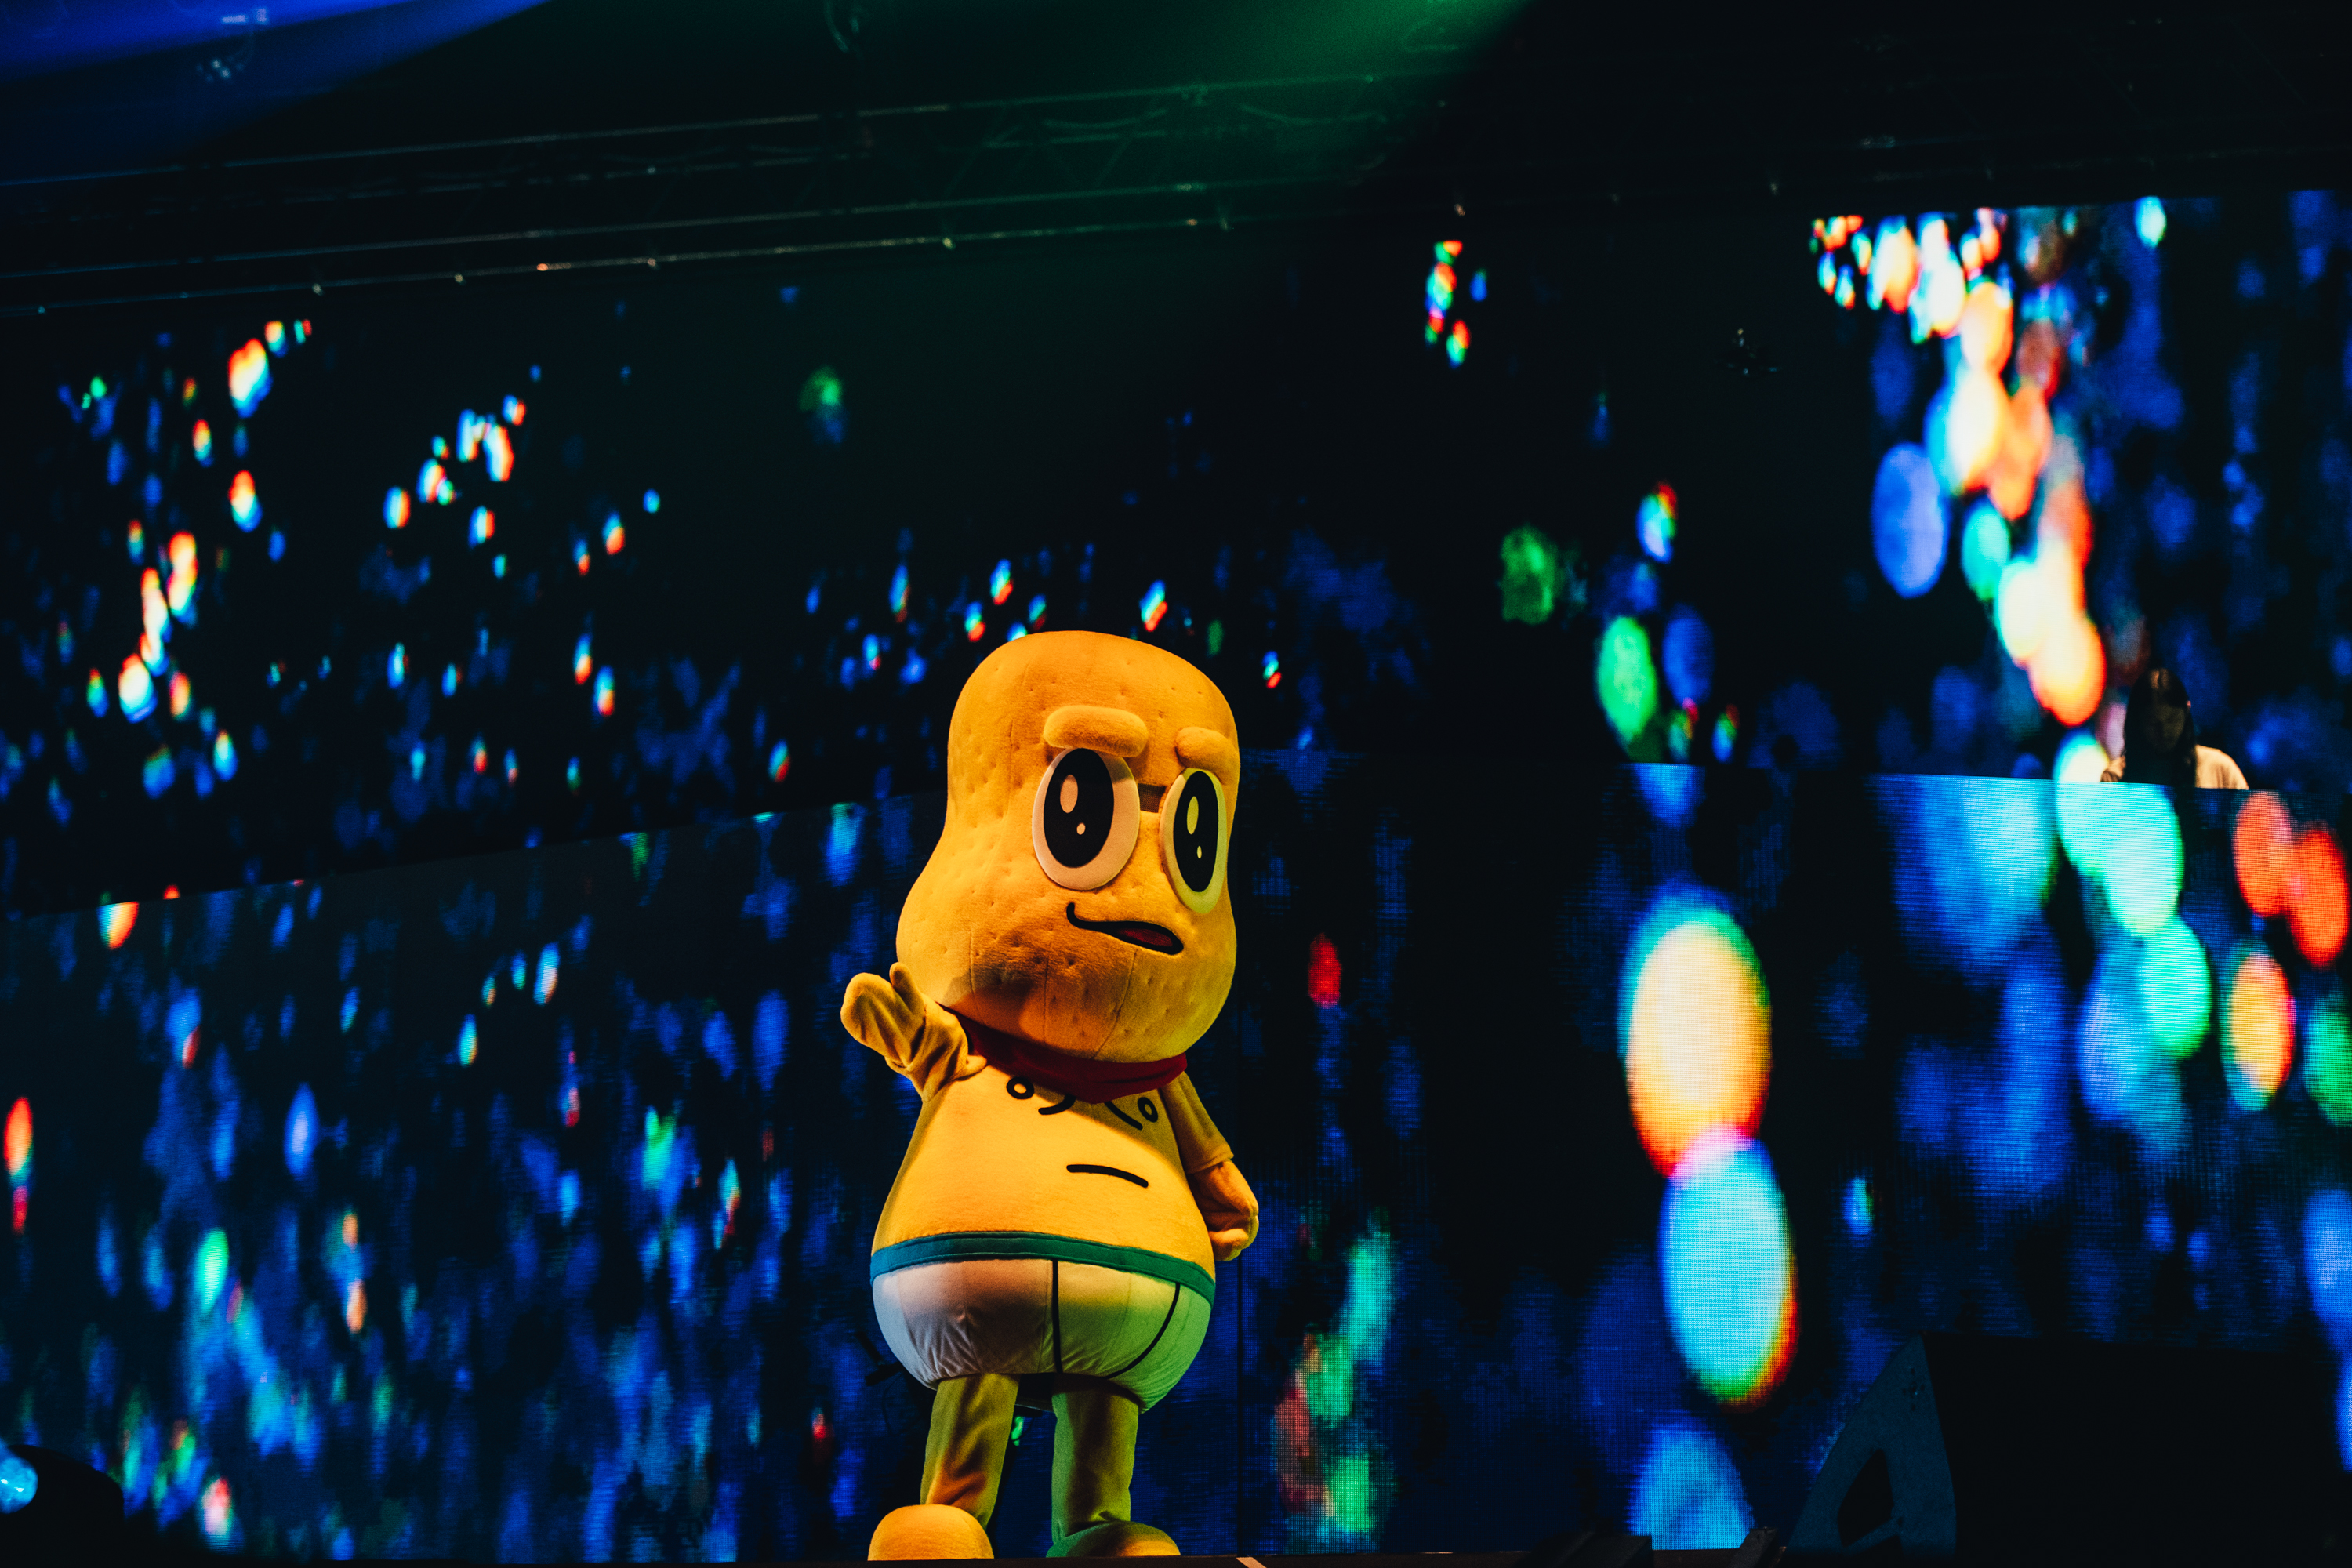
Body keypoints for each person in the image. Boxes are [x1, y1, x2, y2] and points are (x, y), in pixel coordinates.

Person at [2100, 667, 2249, 787]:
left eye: (2172, 719)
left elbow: (2248, 815)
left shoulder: (2220, 769)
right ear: (2138, 721)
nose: (2164, 731)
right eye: (2153, 722)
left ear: (2186, 713)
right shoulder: (2114, 778)